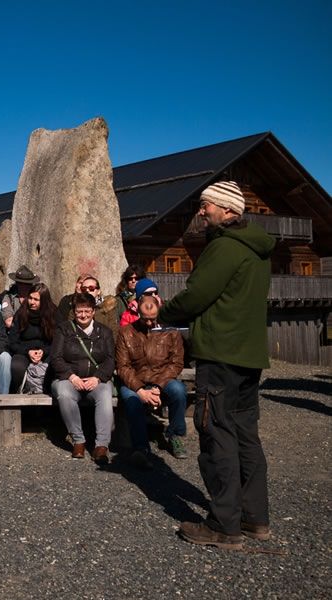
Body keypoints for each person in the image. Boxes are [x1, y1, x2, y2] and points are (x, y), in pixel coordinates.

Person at [159, 181, 275, 550]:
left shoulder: (224, 247)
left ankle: (224, 526)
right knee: (245, 436)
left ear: (227, 210)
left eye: (206, 205)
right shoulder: (258, 249)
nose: (201, 211)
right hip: (248, 355)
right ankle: (254, 519)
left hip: (220, 355)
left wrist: (161, 312)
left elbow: (197, 295)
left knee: (216, 436)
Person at [115, 295, 187, 469]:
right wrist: (140, 390)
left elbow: (176, 362)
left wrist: (157, 386)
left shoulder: (171, 331)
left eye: (153, 319)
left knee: (178, 391)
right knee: (133, 402)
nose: (149, 323)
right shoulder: (126, 332)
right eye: (145, 319)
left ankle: (174, 435)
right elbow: (123, 366)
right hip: (135, 380)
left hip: (162, 378)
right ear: (138, 313)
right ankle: (141, 447)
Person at [50, 292, 116, 464]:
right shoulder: (63, 329)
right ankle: (78, 440)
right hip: (70, 378)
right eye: (80, 311)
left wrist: (98, 378)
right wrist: (71, 377)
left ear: (93, 311)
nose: (83, 315)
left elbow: (110, 359)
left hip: (96, 380)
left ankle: (102, 445)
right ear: (74, 311)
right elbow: (55, 358)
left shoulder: (105, 332)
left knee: (105, 395)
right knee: (63, 393)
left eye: (87, 311)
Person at [8, 282, 56, 393]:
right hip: (24, 351)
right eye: (30, 298)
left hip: (47, 352)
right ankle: (22, 391)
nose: (31, 302)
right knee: (17, 366)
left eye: (36, 300)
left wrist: (43, 352)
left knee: (53, 365)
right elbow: (12, 342)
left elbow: (57, 341)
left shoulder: (53, 314)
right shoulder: (21, 314)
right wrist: (27, 352)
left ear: (43, 301)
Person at [0, 265, 41, 330]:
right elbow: (9, 322)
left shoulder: (37, 297)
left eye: (27, 284)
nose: (24, 286)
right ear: (17, 283)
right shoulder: (9, 298)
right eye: (21, 283)